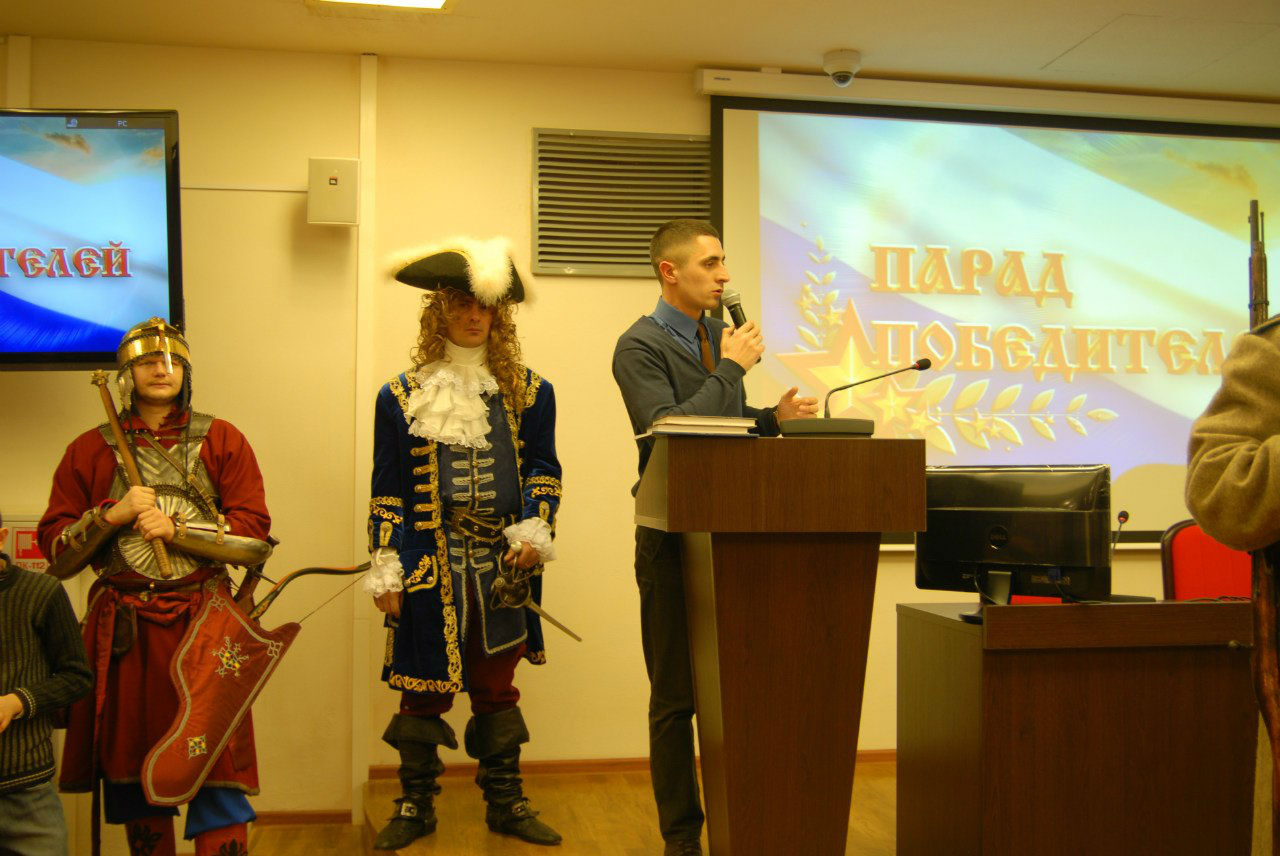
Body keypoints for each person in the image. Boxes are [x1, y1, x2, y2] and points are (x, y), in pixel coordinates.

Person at [611, 219, 818, 855]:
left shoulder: (711, 335)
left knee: (740, 696)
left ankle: (747, 825)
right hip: (672, 540)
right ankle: (682, 841)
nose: (725, 276)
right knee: (676, 699)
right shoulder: (638, 346)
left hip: (732, 535)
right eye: (711, 263)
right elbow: (671, 429)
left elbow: (720, 424)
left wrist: (771, 419)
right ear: (669, 271)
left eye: (724, 262)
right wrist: (732, 367)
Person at [37, 318, 272, 856]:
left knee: (215, 768)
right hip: (127, 634)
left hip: (205, 626)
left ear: (185, 372)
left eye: (171, 361)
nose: (161, 369)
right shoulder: (89, 449)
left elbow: (255, 539)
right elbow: (58, 554)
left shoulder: (222, 439)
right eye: (147, 361)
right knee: (134, 771)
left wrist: (179, 530)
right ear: (126, 375)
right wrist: (110, 516)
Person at [365, 237, 563, 849]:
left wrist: (535, 530)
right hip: (428, 564)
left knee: (496, 689)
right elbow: (387, 490)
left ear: (498, 315)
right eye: (460, 304)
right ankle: (414, 806)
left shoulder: (531, 392)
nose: (474, 316)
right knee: (420, 690)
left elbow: (543, 472)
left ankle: (506, 803)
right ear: (439, 311)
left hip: (501, 567)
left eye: (485, 306)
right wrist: (386, 565)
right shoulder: (400, 395)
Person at [1, 509, 92, 856]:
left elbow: (77, 677)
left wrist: (17, 702)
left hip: (27, 791)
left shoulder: (42, 591)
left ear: (1, 538)